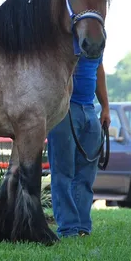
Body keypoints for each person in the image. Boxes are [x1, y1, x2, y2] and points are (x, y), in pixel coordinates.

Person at [47, 55, 111, 238]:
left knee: (87, 174)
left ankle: (82, 227)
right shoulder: (66, 36)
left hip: (89, 110)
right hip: (65, 109)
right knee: (63, 172)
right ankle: (68, 228)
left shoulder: (95, 42)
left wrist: (105, 107)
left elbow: (99, 70)